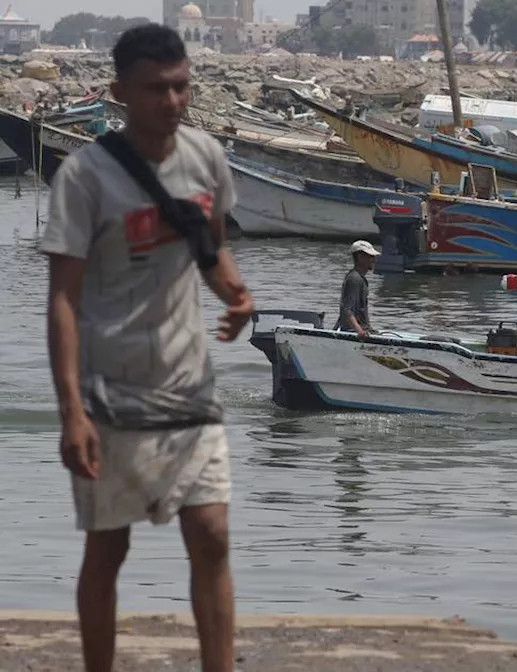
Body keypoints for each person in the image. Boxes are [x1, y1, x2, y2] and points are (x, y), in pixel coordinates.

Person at [41, 24, 252, 672]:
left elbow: (210, 251)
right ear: (120, 93)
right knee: (108, 551)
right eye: (157, 89)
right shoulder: (84, 177)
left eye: (182, 86)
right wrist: (71, 411)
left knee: (212, 536)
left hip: (190, 386)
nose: (174, 101)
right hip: (110, 392)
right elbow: (63, 300)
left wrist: (236, 297)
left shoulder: (205, 159)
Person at [336, 239, 380, 339]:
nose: (374, 260)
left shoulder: (359, 278)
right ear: (360, 257)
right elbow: (347, 309)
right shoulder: (355, 279)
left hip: (363, 329)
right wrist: (359, 331)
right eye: (371, 257)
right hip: (353, 332)